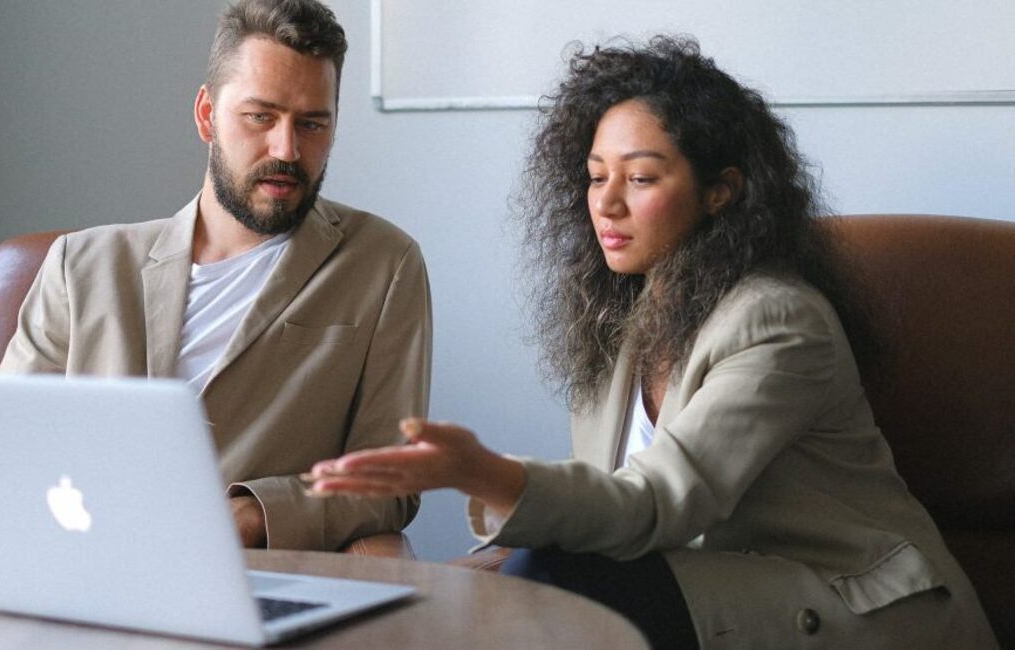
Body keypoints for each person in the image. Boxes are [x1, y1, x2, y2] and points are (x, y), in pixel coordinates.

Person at [306, 37, 998, 649]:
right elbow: (606, 515)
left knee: (556, 579)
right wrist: (450, 581)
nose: (606, 202)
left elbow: (656, 505)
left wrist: (481, 471)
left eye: (639, 179)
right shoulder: (620, 320)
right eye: (595, 175)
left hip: (860, 609)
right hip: (714, 591)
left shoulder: (780, 323)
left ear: (721, 192)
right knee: (499, 594)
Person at [0, 0, 429, 573]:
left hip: (227, 571)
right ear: (208, 116)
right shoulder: (81, 264)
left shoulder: (381, 264)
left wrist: (249, 515)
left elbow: (393, 479)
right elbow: (4, 451)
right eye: (260, 116)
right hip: (42, 550)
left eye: (313, 124)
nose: (286, 149)